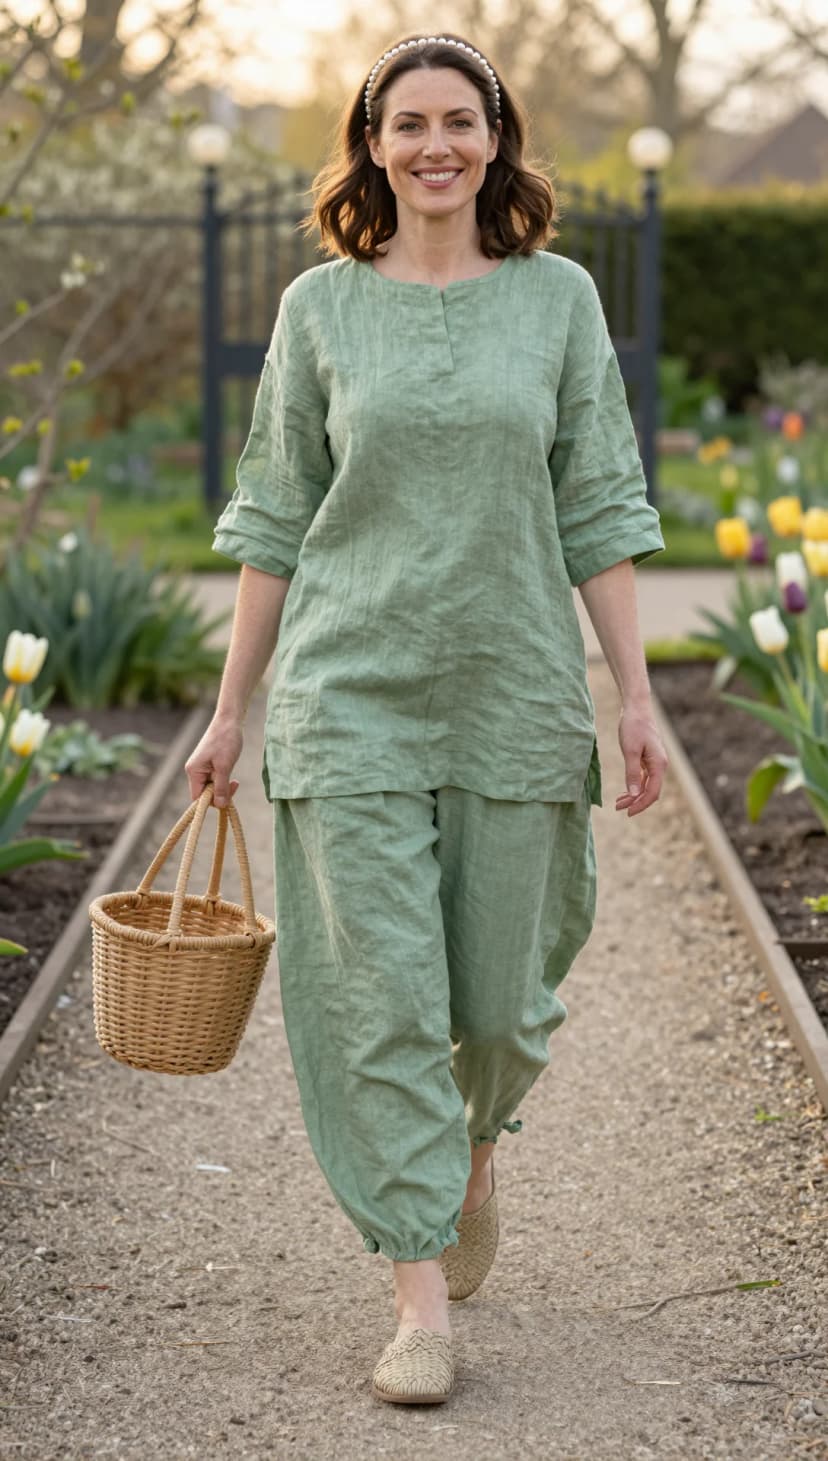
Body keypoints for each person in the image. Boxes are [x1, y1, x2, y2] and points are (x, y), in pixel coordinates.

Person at [185, 31, 668, 1408]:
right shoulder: (321, 310)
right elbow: (277, 516)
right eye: (409, 123)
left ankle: (472, 1151)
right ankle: (413, 1292)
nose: (436, 144)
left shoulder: (560, 299)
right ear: (372, 144)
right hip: (349, 692)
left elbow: (603, 501)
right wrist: (233, 712)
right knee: (378, 993)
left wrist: (633, 693)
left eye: (461, 120)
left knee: (504, 1000)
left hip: (516, 678)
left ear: (499, 140)